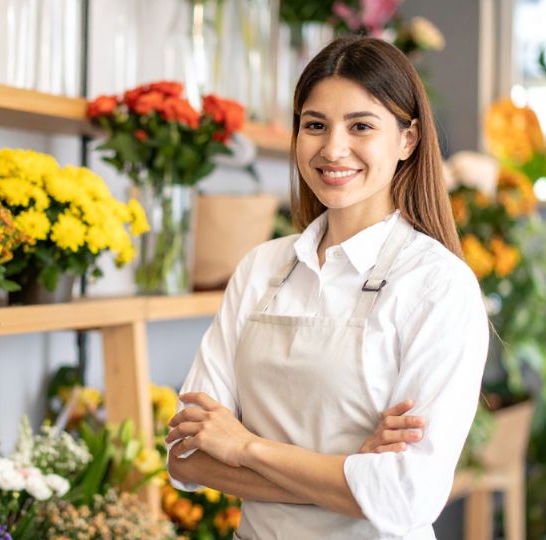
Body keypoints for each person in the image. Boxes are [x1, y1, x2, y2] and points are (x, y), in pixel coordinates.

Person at [166, 35, 489, 539]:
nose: (333, 148)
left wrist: (246, 447)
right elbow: (187, 458)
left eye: (361, 126)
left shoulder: (436, 284)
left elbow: (408, 495)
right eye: (315, 125)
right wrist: (349, 471)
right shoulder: (260, 268)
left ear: (407, 140)